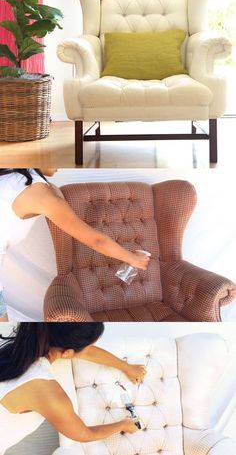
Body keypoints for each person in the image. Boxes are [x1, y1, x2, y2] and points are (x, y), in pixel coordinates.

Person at [0, 169, 150, 321]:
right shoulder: (38, 192)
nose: (60, 166)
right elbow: (96, 240)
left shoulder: (14, 177)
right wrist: (133, 259)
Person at [0, 322, 146, 453]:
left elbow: (86, 352)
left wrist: (125, 367)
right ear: (67, 352)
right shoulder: (47, 392)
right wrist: (124, 425)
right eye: (88, 346)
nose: (89, 349)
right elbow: (84, 434)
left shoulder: (26, 341)